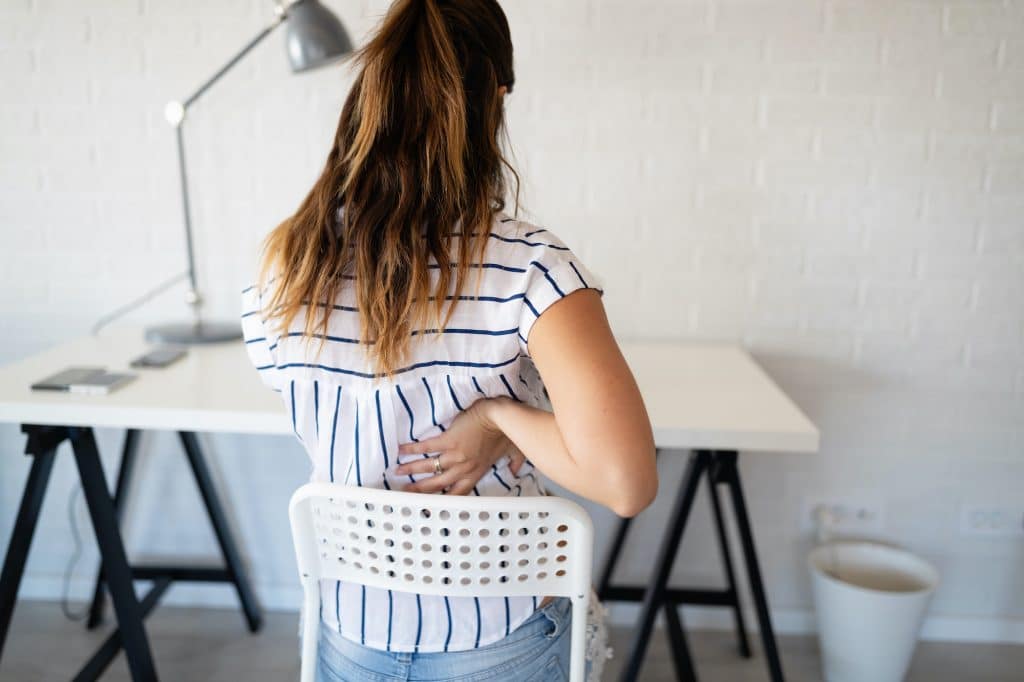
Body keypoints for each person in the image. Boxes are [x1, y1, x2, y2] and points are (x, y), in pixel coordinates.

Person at [241, 0, 657, 679]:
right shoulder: (531, 269)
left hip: (349, 637)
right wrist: (498, 415)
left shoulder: (286, 266)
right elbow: (626, 482)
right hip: (502, 637)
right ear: (495, 99)